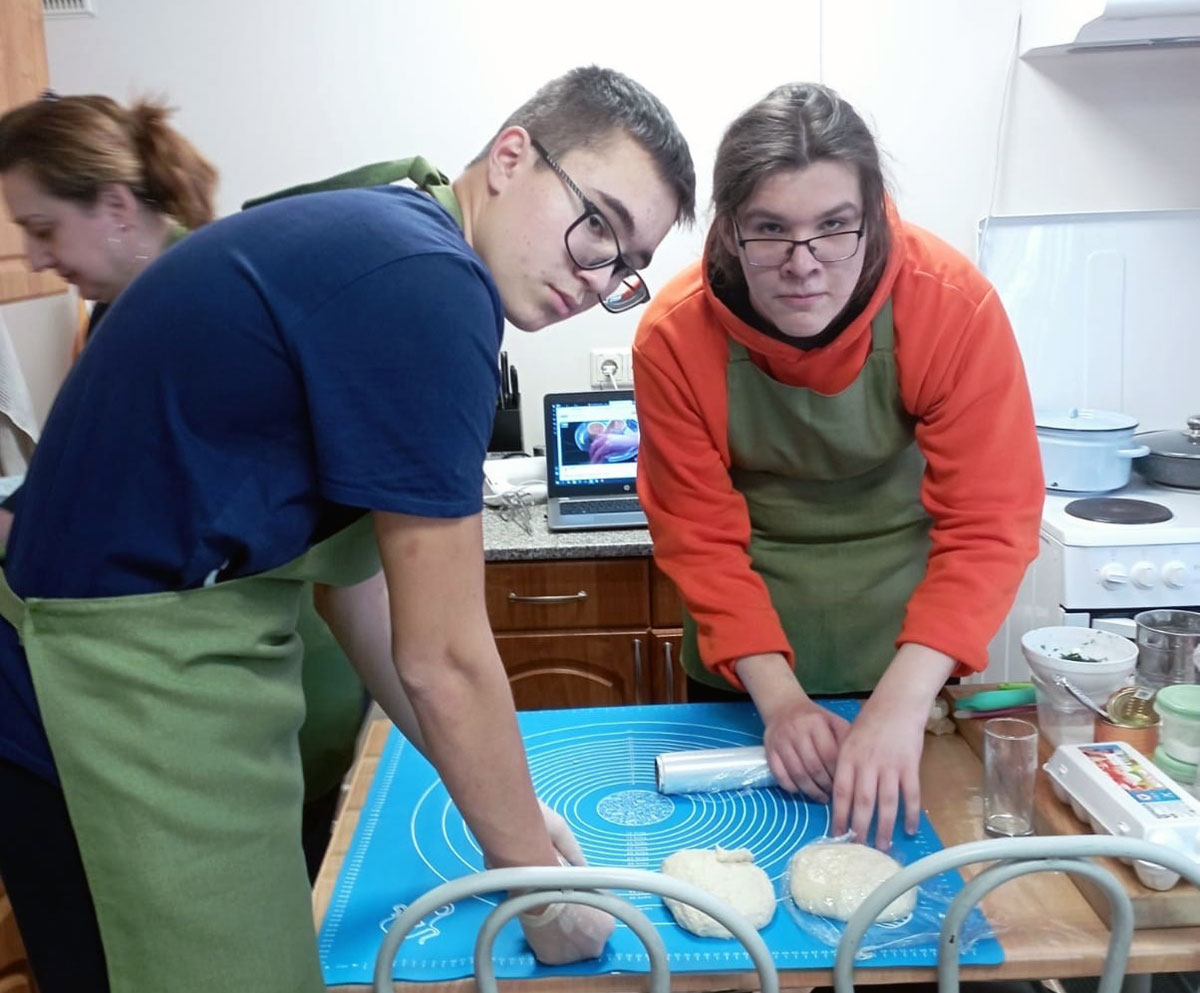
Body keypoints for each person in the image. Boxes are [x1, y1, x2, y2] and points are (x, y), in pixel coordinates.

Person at [0, 65, 694, 993]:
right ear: (510, 157)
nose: (596, 274)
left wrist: (519, 819)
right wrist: (544, 897)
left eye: (624, 263)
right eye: (597, 223)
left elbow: (358, 592)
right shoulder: (431, 284)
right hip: (92, 700)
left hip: (102, 679)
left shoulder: (393, 236)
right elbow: (444, 658)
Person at [632, 82, 1042, 852]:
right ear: (728, 231)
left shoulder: (948, 305)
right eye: (770, 230)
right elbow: (700, 538)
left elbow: (990, 523)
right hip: (745, 664)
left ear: (872, 216)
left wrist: (901, 702)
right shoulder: (675, 339)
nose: (804, 264)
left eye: (833, 227)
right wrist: (781, 702)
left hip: (910, 651)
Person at [0, 91, 364, 883]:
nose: (32, 257)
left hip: (255, 705)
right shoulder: (151, 303)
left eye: (42, 229)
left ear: (116, 207)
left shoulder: (180, 318)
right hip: (281, 693)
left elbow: (104, 535)